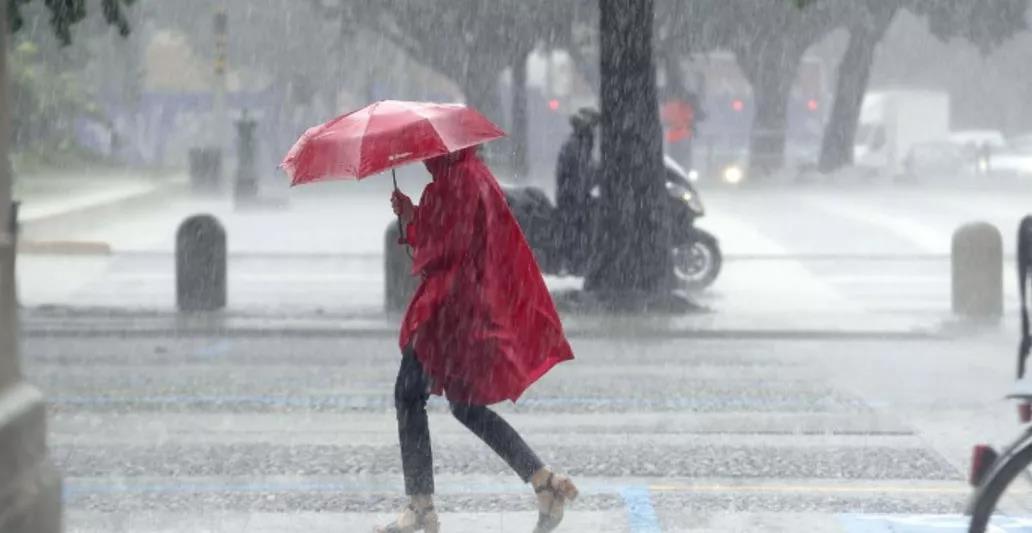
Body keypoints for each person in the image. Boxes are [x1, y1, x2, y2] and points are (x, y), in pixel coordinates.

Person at [379, 147, 577, 533]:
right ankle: (544, 482)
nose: (425, 156)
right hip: (469, 311)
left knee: (408, 394)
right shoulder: (473, 176)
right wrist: (414, 216)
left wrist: (416, 220)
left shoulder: (457, 182)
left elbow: (443, 249)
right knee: (465, 405)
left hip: (450, 313)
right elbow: (455, 238)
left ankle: (421, 508)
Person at [554, 108, 600, 273]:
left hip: (574, 197)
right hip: (573, 199)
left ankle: (575, 264)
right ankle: (574, 265)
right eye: (593, 127)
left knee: (575, 232)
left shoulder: (578, 145)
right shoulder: (576, 146)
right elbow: (582, 174)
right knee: (575, 233)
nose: (595, 132)